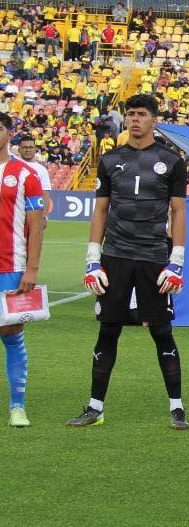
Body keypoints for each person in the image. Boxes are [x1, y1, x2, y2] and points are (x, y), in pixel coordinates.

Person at [69, 94, 189, 429]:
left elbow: (178, 211)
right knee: (108, 330)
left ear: (155, 121)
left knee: (162, 332)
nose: (134, 119)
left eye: (141, 114)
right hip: (116, 255)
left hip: (154, 256)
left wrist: (177, 259)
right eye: (130, 114)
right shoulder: (110, 159)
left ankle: (177, 408)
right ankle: (95, 408)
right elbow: (101, 210)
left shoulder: (172, 160)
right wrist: (93, 257)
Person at [0, 113, 44, 428]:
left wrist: (31, 269)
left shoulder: (26, 174)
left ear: (9, 134)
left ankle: (18, 406)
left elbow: (36, 225)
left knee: (11, 335)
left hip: (11, 265)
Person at [14, 136, 51, 220]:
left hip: (32, 214)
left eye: (30, 147)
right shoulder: (12, 165)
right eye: (25, 147)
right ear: (19, 149)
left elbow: (45, 194)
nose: (28, 150)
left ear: (35, 149)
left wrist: (44, 216)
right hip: (14, 213)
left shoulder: (42, 170)